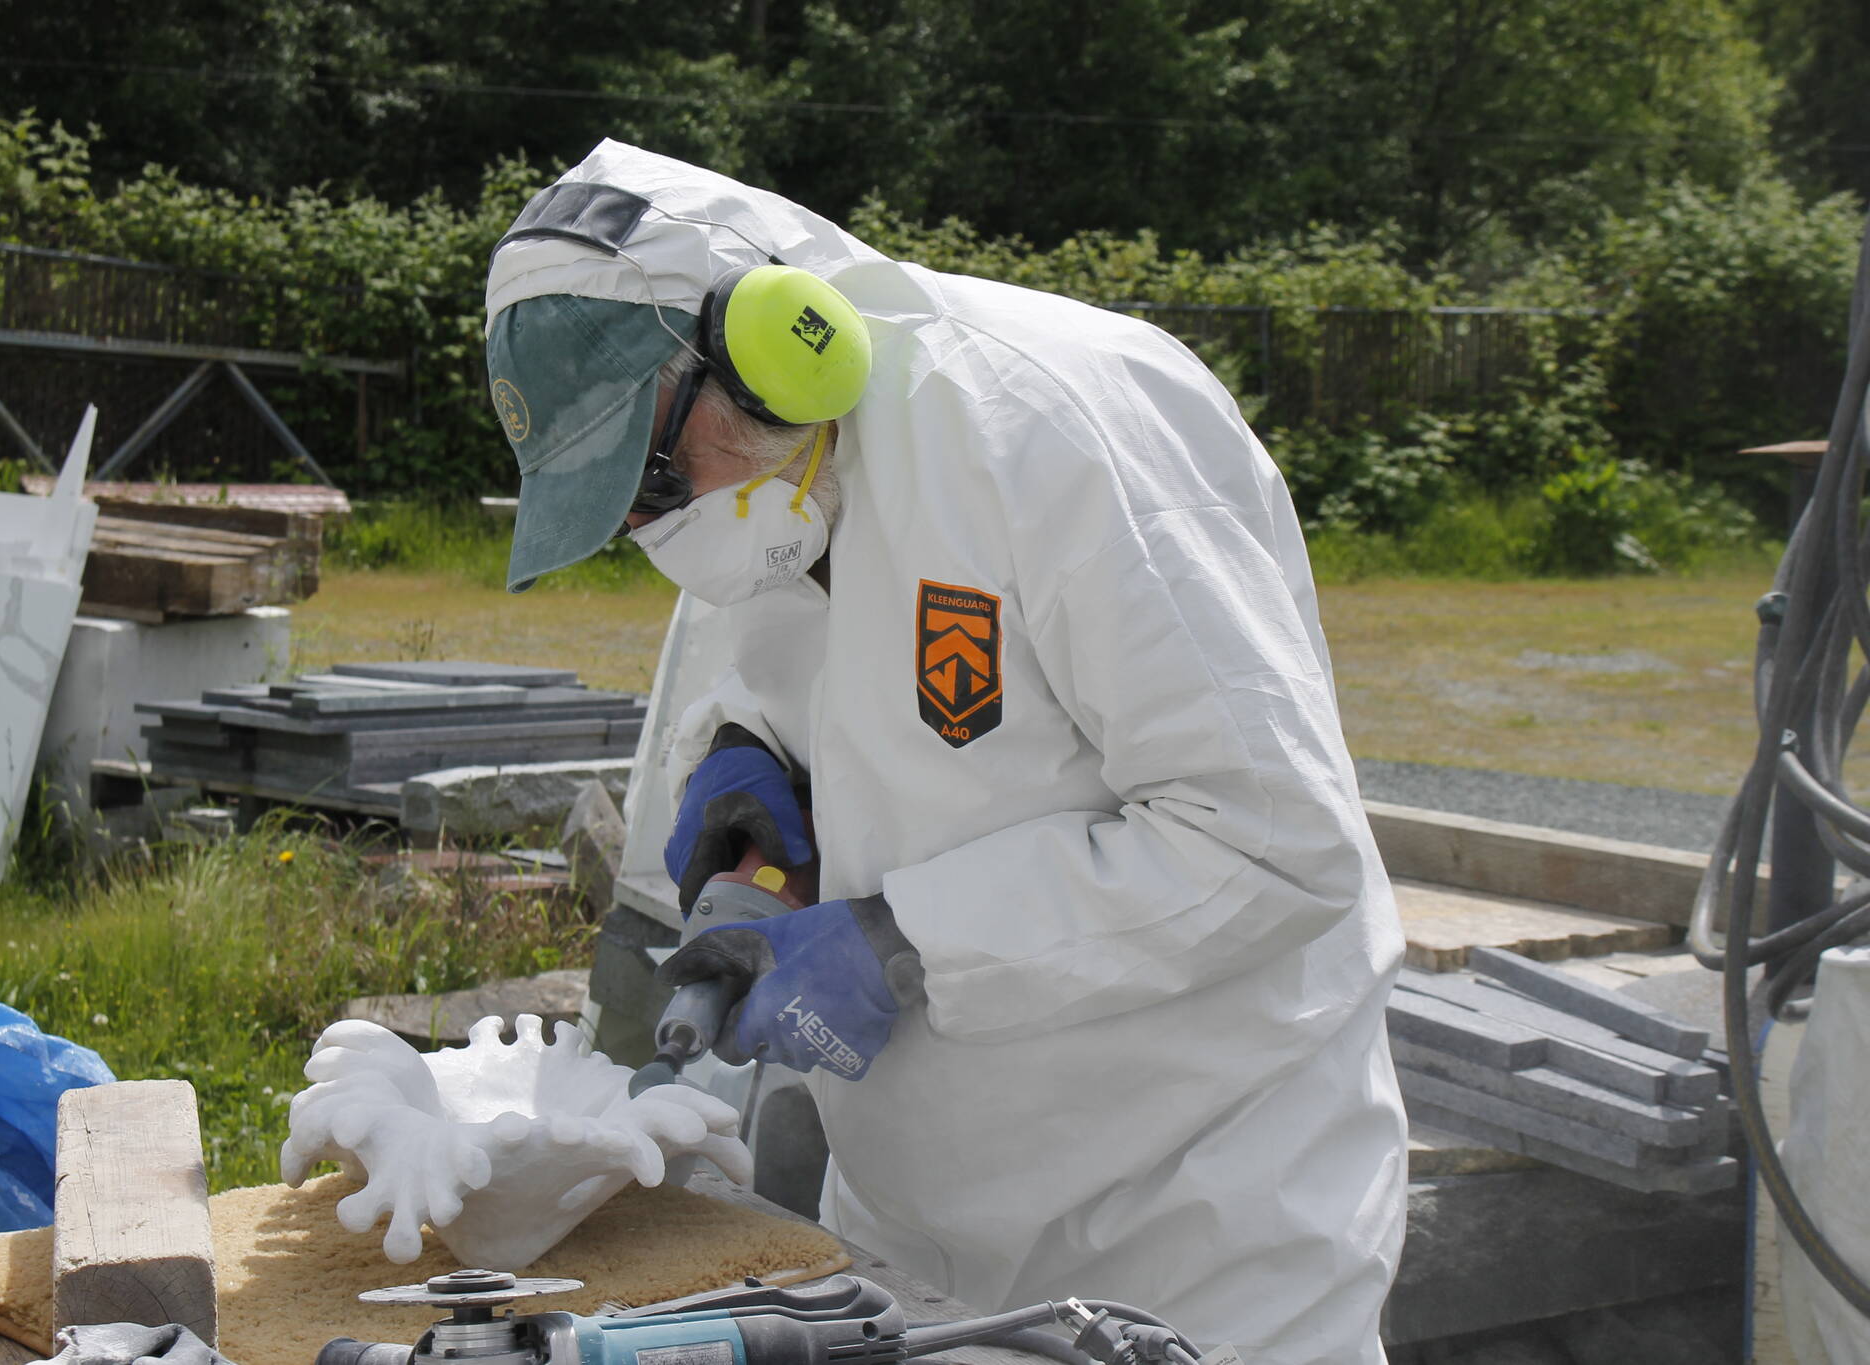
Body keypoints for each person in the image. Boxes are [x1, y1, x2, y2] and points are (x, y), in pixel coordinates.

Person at [483, 140, 1407, 1365]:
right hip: (913, 1238)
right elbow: (788, 696)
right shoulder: (759, 485)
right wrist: (745, 782)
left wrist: (903, 942)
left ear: (779, 341)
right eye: (624, 510)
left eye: (650, 473)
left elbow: (1274, 849)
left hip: (1199, 1234)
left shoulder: (1054, 428)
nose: (655, 525)